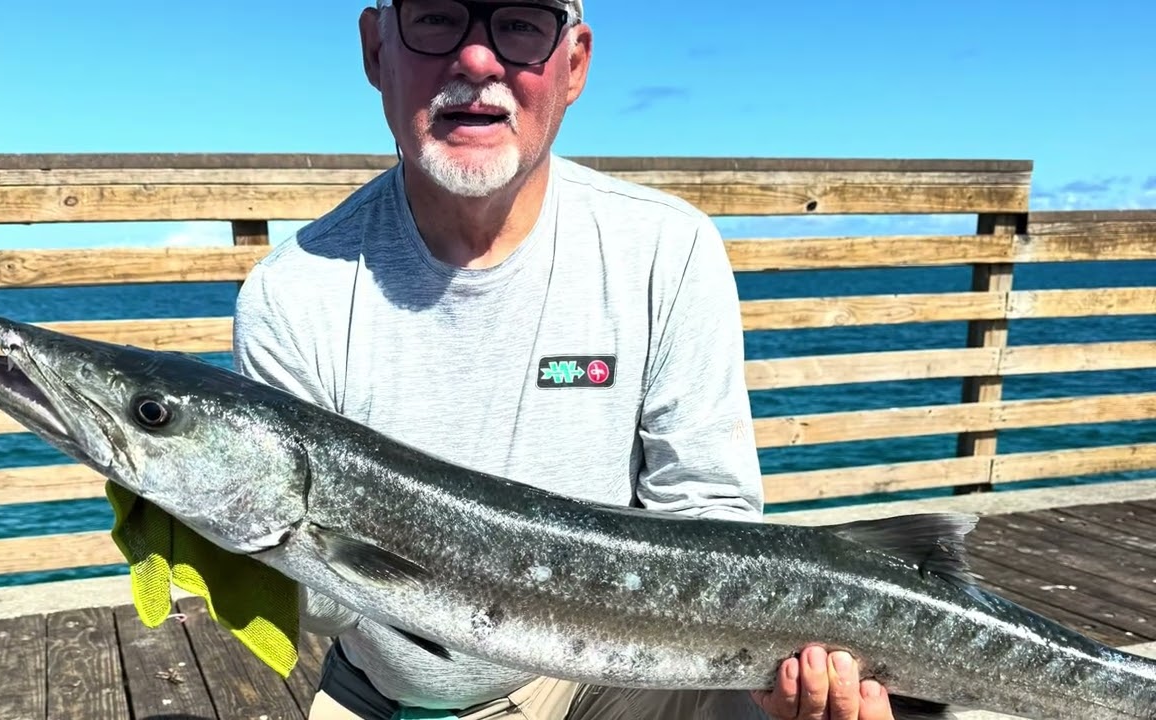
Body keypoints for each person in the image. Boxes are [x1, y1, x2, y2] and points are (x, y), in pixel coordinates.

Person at [232, 0, 897, 718]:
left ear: (574, 62)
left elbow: (709, 513)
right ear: (375, 49)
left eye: (519, 23)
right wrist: (238, 550)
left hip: (624, 675)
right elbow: (327, 594)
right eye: (434, 17)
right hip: (393, 699)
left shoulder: (666, 249)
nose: (477, 61)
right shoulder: (293, 291)